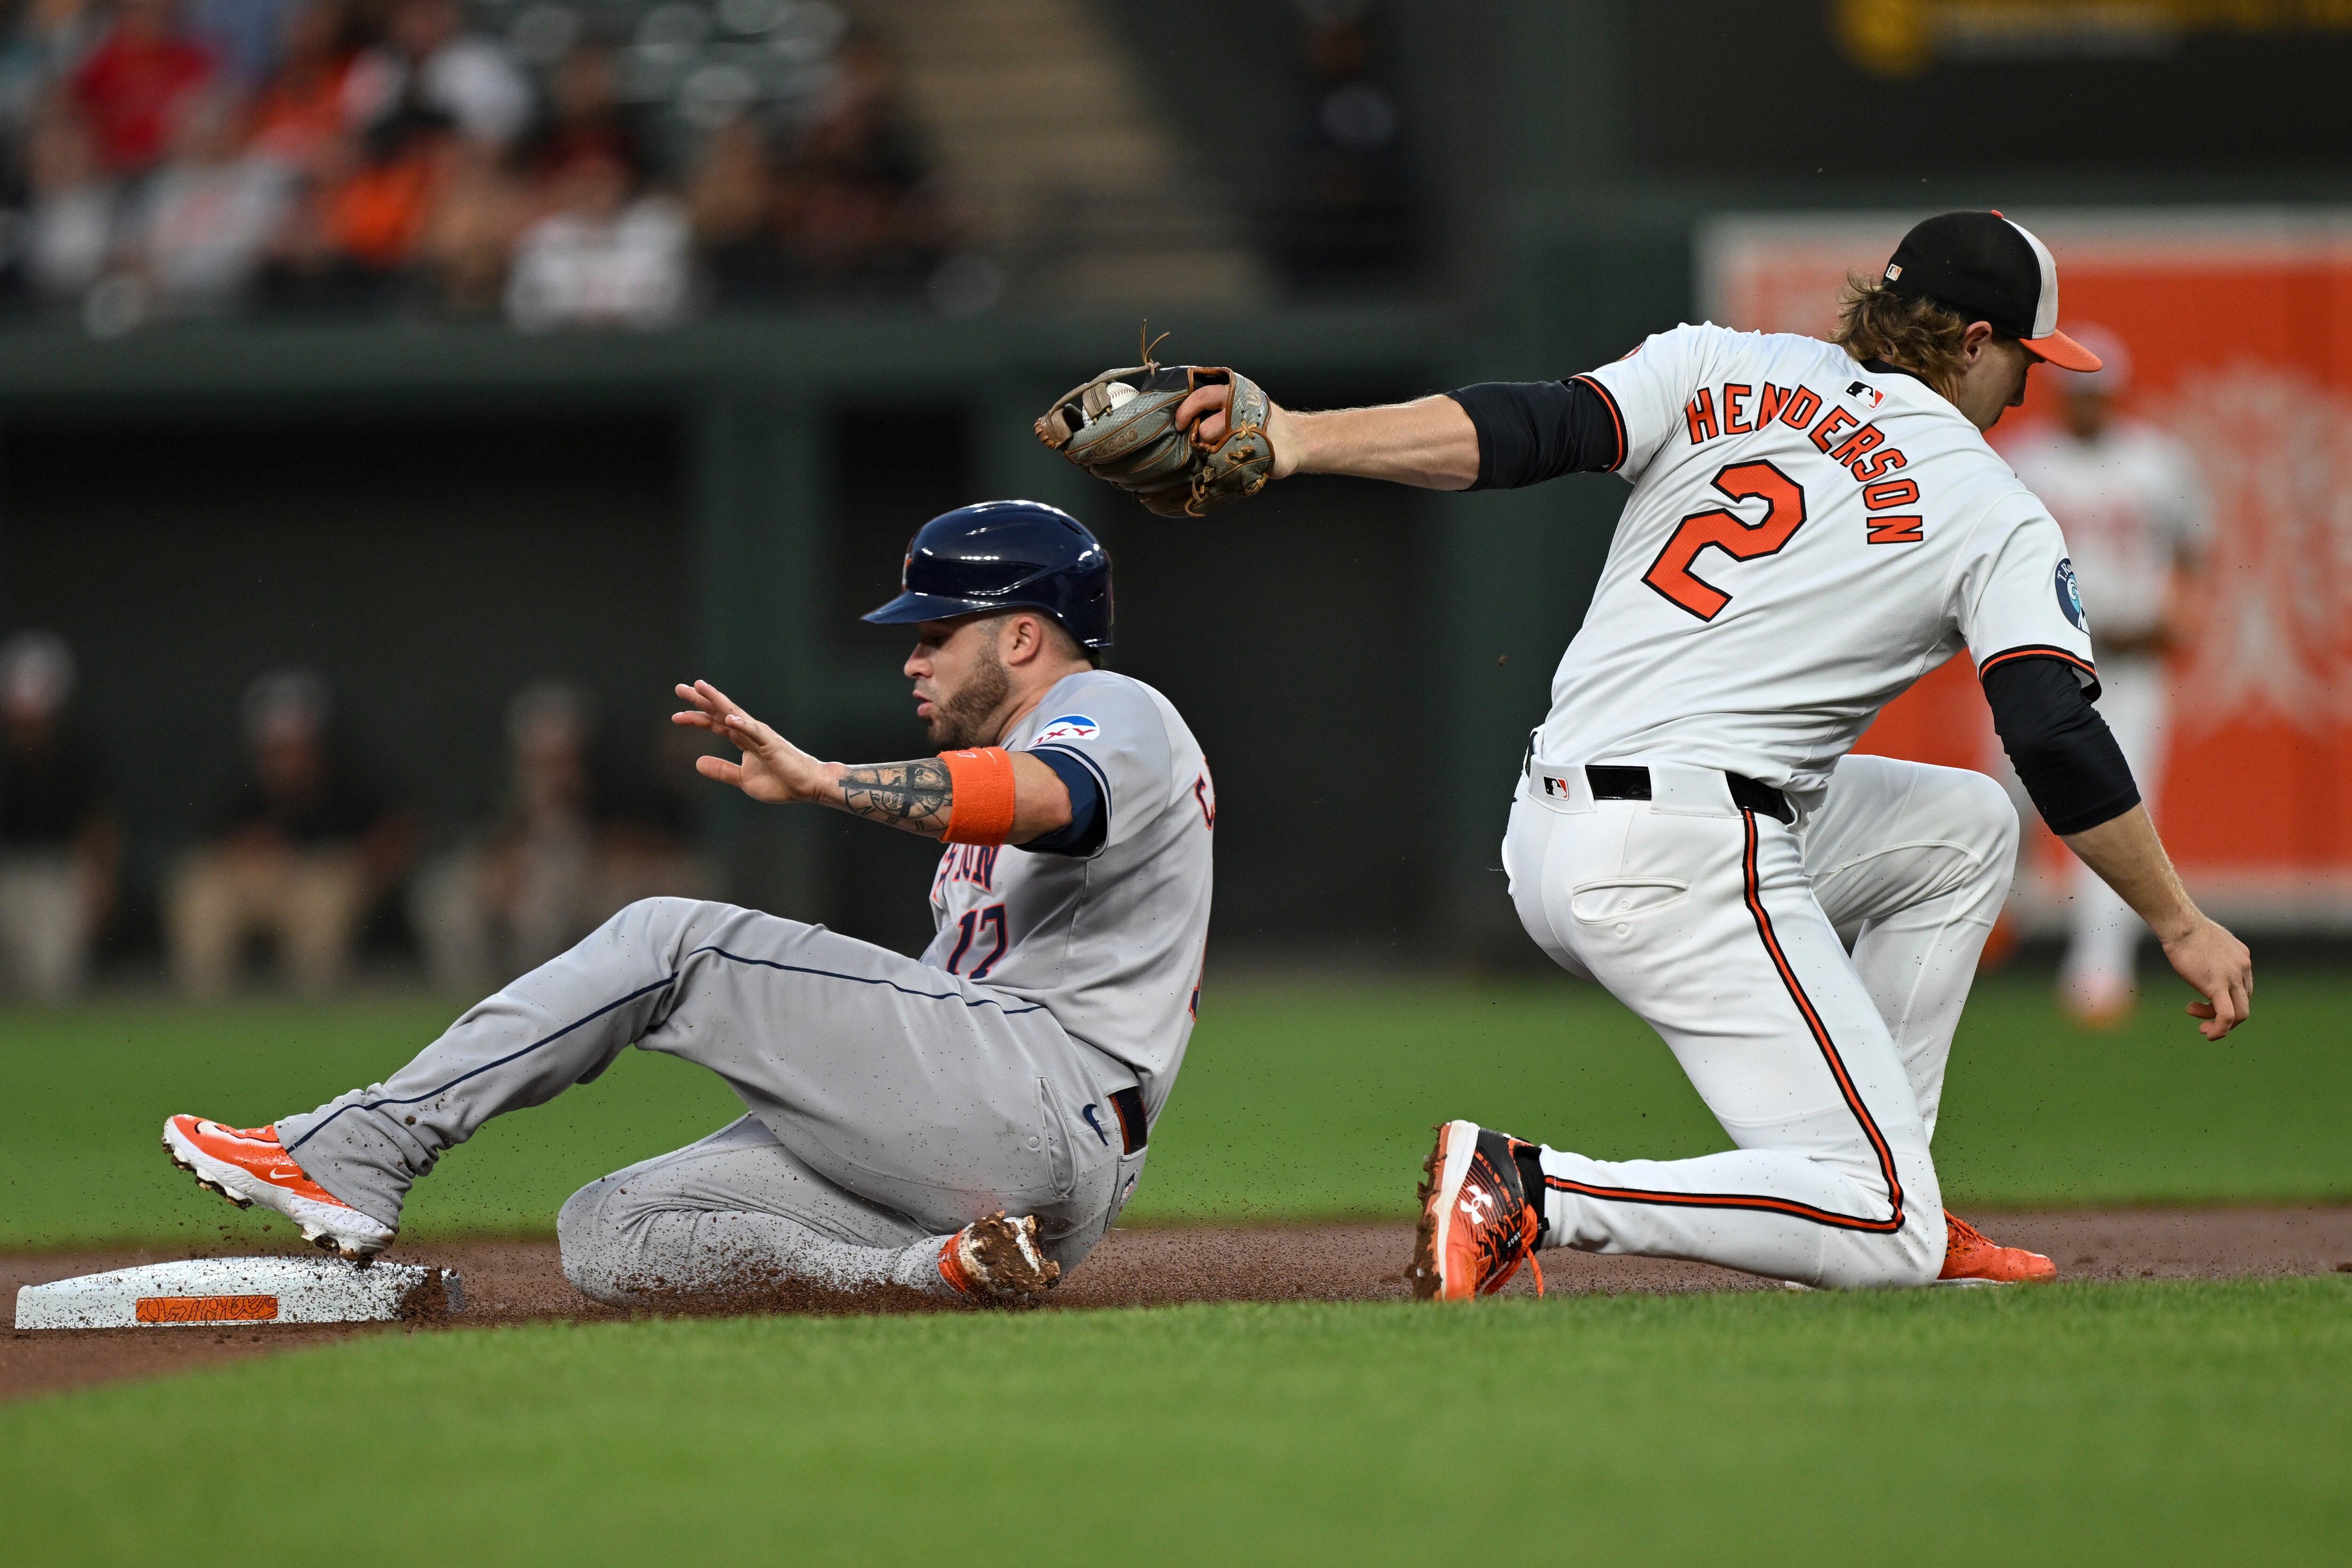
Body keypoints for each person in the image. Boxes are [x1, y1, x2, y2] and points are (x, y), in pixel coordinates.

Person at [1155, 210, 2250, 1296]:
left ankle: (1881, 1180)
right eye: (2021, 358)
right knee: (1890, 1232)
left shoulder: (1721, 360)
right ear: (1973, 341)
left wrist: (1296, 436)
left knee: (1964, 832)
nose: (2022, 389)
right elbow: (2052, 731)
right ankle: (1538, 1190)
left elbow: (1524, 430)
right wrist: (2177, 919)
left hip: (1554, 827)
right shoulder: (1991, 504)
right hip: (1687, 849)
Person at [163, 502, 1215, 1308]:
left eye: (936, 631)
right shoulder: (1020, 745)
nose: (912, 656)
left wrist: (826, 779)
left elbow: (1061, 803)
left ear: (1023, 637)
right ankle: (927, 1270)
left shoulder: (1109, 706)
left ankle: (365, 1144)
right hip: (1010, 1160)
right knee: (611, 1227)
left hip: (1044, 1095)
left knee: (675, 937)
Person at [2002, 325, 2209, 1026]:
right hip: (2038, 661)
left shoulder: (2157, 463)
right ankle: (2005, 925)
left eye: (2097, 394)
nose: (2087, 405)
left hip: (2132, 665)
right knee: (2011, 805)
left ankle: (2100, 972)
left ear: (2114, 395)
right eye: (2076, 394)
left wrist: (2176, 618)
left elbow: (2194, 550)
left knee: (2123, 808)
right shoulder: (2025, 459)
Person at [166, 668, 408, 996]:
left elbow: (394, 836)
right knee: (199, 892)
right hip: (256, 881)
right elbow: (216, 845)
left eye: (297, 746)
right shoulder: (241, 784)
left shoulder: (354, 781)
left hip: (319, 881)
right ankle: (206, 1015)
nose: (288, 759)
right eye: (276, 749)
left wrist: (362, 868)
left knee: (322, 900)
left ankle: (314, 1018)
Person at [0, 630, 115, 998]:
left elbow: (97, 830)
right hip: (7, 868)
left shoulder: (80, 753)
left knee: (53, 981)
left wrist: (98, 884)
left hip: (58, 872)